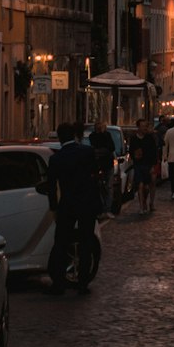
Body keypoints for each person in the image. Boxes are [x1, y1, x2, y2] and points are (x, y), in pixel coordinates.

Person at [47, 121, 103, 296]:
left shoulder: (56, 158)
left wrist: (54, 207)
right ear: (73, 136)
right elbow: (96, 173)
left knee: (61, 243)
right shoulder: (87, 152)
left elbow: (50, 186)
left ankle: (59, 283)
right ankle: (82, 283)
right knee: (86, 242)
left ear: (59, 137)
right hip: (87, 203)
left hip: (68, 204)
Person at [130, 118, 160, 215]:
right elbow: (131, 151)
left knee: (147, 187)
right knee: (140, 185)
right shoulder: (134, 138)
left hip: (148, 164)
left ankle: (145, 201)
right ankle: (141, 207)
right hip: (138, 164)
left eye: (145, 126)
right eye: (142, 126)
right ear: (138, 127)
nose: (144, 128)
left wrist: (152, 165)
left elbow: (153, 151)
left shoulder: (149, 138)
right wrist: (134, 155)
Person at [87, 119, 116, 212]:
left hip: (108, 164)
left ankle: (107, 208)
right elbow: (95, 147)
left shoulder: (107, 135)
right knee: (99, 186)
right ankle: (101, 207)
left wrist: (103, 134)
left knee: (109, 187)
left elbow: (111, 148)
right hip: (98, 165)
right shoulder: (92, 136)